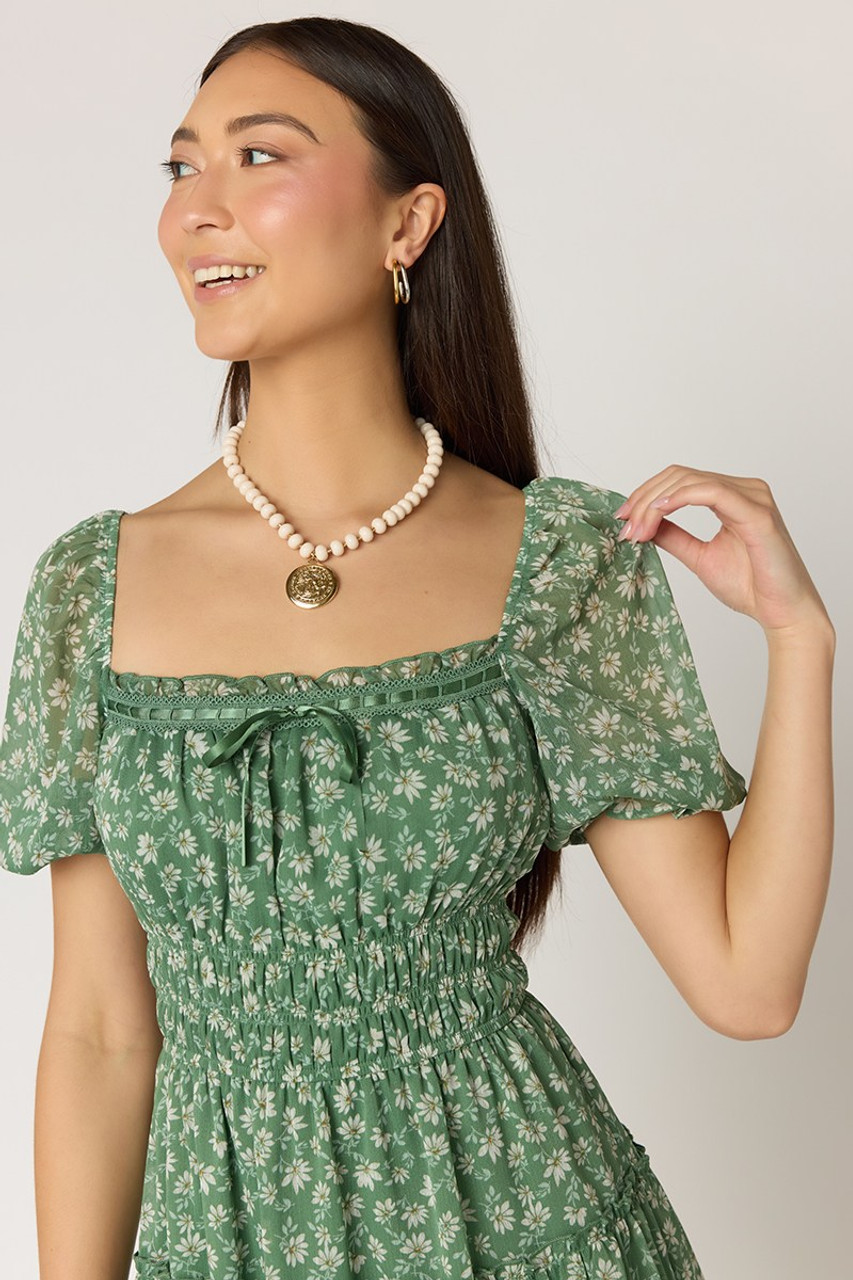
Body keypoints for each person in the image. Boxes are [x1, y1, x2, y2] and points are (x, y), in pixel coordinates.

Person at [0, 16, 835, 1280]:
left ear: (409, 223)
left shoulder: (557, 565)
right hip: (225, 1242)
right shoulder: (91, 589)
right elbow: (101, 1032)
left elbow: (746, 985)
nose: (196, 210)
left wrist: (799, 639)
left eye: (258, 156)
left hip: (529, 1228)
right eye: (181, 167)